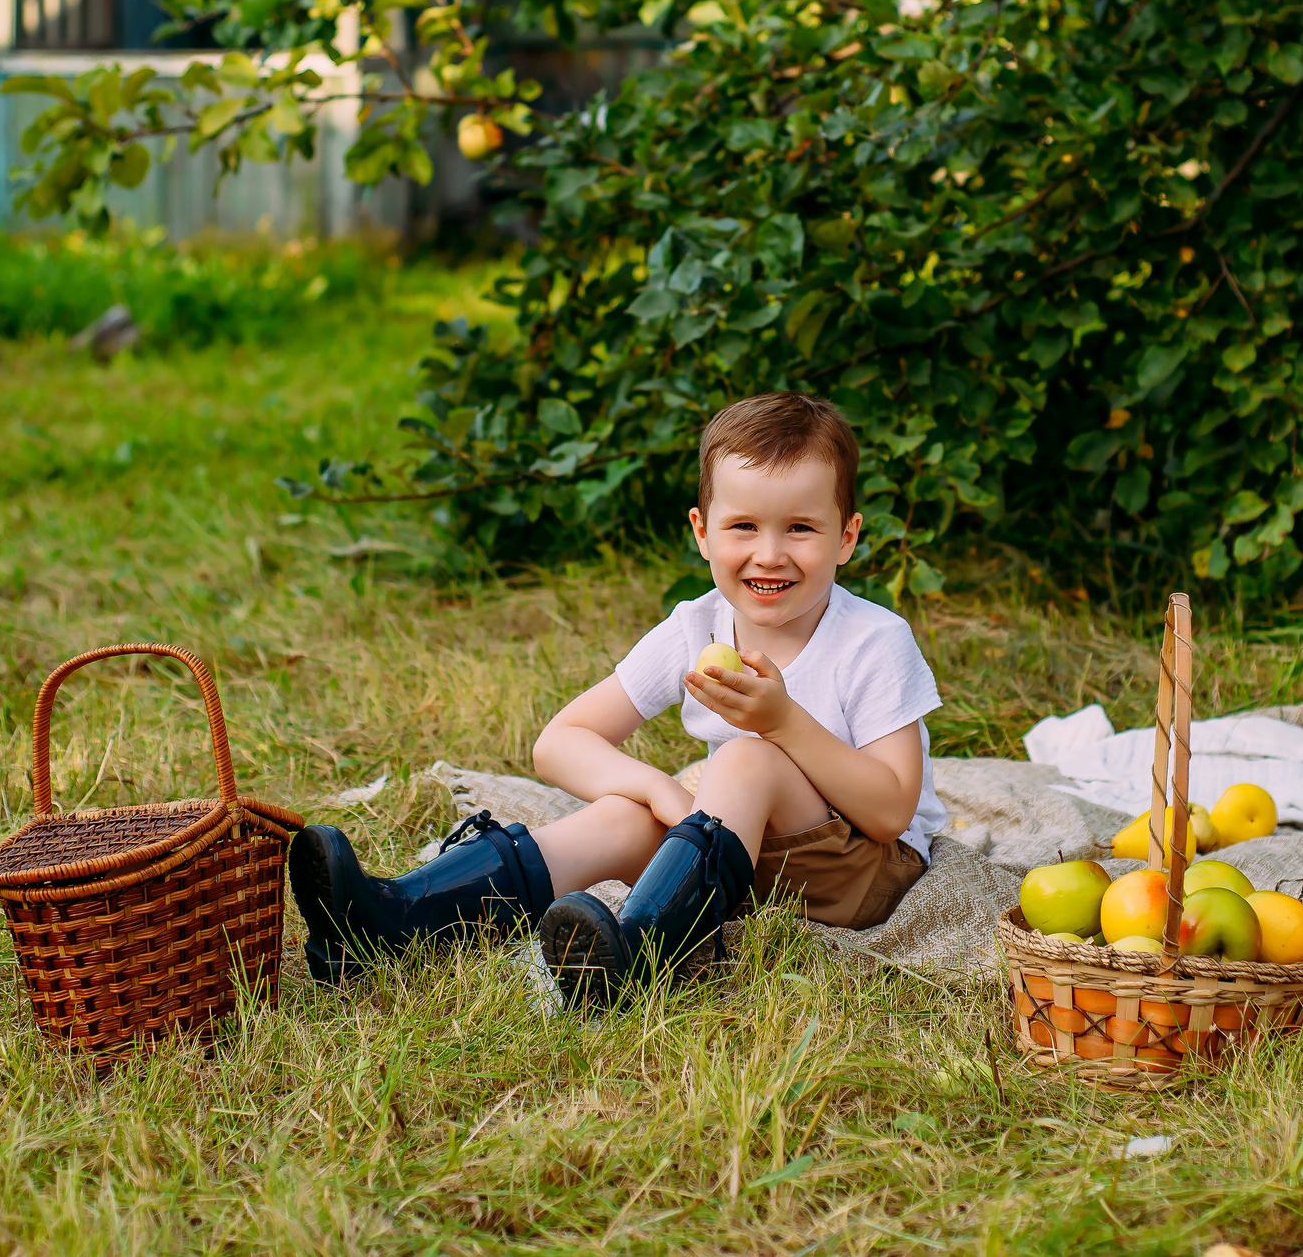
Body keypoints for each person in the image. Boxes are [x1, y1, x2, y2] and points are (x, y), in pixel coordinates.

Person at [288, 391, 946, 1000]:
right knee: (627, 816)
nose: (769, 554)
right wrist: (656, 791)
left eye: (800, 528)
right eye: (744, 525)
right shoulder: (695, 626)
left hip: (859, 871)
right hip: (736, 861)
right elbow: (560, 742)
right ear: (702, 532)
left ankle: (641, 957)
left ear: (847, 536)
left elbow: (890, 812)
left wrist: (783, 723)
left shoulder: (873, 641)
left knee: (747, 758)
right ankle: (389, 920)